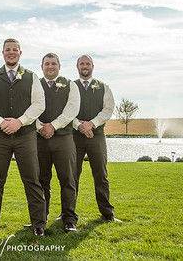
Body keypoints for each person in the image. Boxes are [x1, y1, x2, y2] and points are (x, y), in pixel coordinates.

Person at [0, 38, 46, 236]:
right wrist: (1, 122)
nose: (11, 52)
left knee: (32, 179)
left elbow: (39, 104)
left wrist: (20, 121)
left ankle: (38, 224)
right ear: (2, 53)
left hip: (25, 135)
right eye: (8, 50)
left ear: (20, 53)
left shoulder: (31, 77)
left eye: (15, 49)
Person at [73, 54, 121, 222]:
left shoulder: (103, 87)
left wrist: (91, 124)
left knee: (101, 174)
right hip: (74, 137)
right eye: (81, 63)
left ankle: (107, 214)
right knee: (72, 175)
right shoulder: (70, 87)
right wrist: (79, 125)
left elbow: (108, 110)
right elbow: (66, 111)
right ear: (77, 66)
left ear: (92, 66)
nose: (84, 66)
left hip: (97, 136)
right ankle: (68, 214)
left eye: (87, 63)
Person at [36, 53, 80, 232]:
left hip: (64, 139)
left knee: (68, 179)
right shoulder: (34, 84)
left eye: (54, 63)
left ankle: (69, 219)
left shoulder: (70, 85)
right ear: (42, 66)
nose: (50, 66)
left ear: (59, 66)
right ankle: (40, 218)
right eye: (47, 63)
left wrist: (52, 126)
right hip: (39, 140)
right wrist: (40, 127)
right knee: (40, 180)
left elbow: (72, 110)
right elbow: (29, 108)